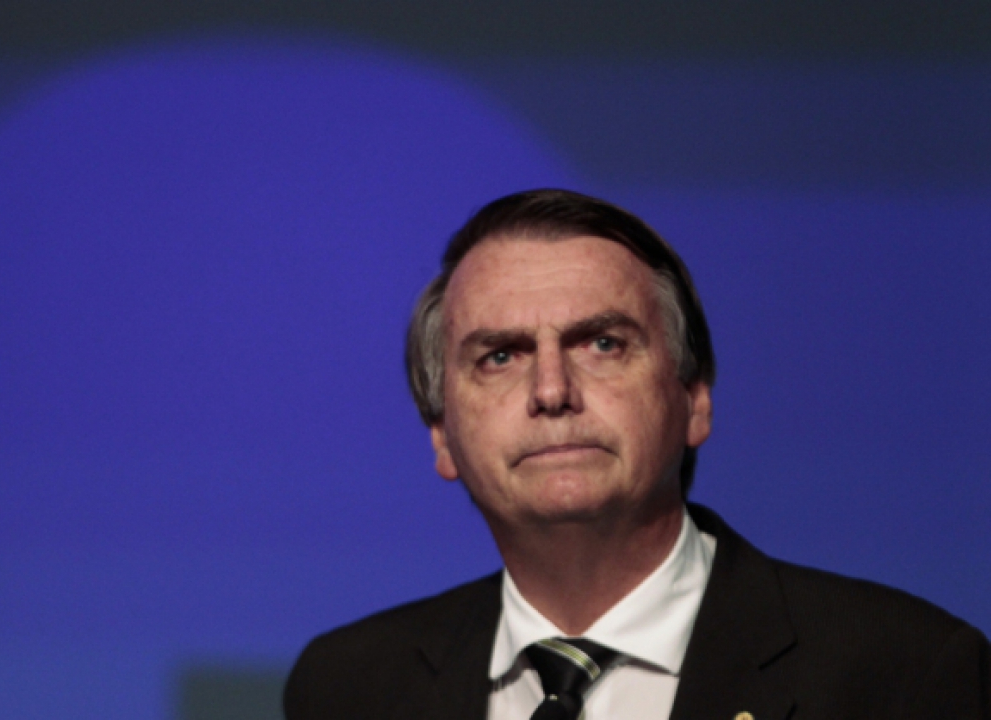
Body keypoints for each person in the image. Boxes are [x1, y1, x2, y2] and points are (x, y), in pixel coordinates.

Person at [284, 189, 990, 719]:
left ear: (694, 399)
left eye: (603, 344)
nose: (552, 391)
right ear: (442, 435)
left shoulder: (907, 675)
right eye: (500, 356)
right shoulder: (346, 689)